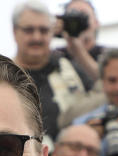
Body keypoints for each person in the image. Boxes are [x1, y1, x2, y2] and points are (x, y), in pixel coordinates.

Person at [12, 1, 91, 141]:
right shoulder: (2, 75)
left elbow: (103, 92)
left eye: (43, 30)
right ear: (14, 31)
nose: (37, 37)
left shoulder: (71, 70)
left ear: (52, 32)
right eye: (29, 30)